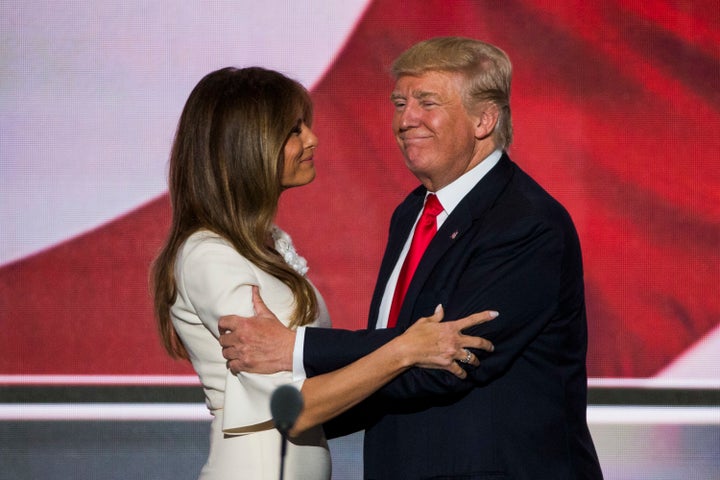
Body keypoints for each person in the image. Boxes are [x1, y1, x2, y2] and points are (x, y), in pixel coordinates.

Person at [219, 38, 604, 479]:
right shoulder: (412, 213)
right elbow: (400, 355)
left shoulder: (527, 224)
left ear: (484, 119)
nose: (406, 120)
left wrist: (295, 351)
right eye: (399, 103)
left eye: (427, 102)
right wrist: (292, 416)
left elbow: (448, 362)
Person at [150, 66, 497, 480]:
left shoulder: (266, 244)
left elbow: (315, 367)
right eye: (294, 130)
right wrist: (406, 349)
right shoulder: (210, 256)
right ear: (245, 146)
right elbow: (293, 408)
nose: (312, 139)